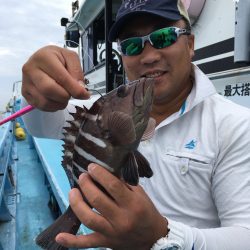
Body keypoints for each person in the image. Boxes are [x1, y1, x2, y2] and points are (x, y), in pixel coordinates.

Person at [21, 0, 250, 249]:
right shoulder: (101, 110)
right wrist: (34, 88)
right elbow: (38, 123)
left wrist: (163, 237)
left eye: (164, 37)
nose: (150, 56)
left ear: (190, 44)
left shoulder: (236, 125)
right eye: (132, 45)